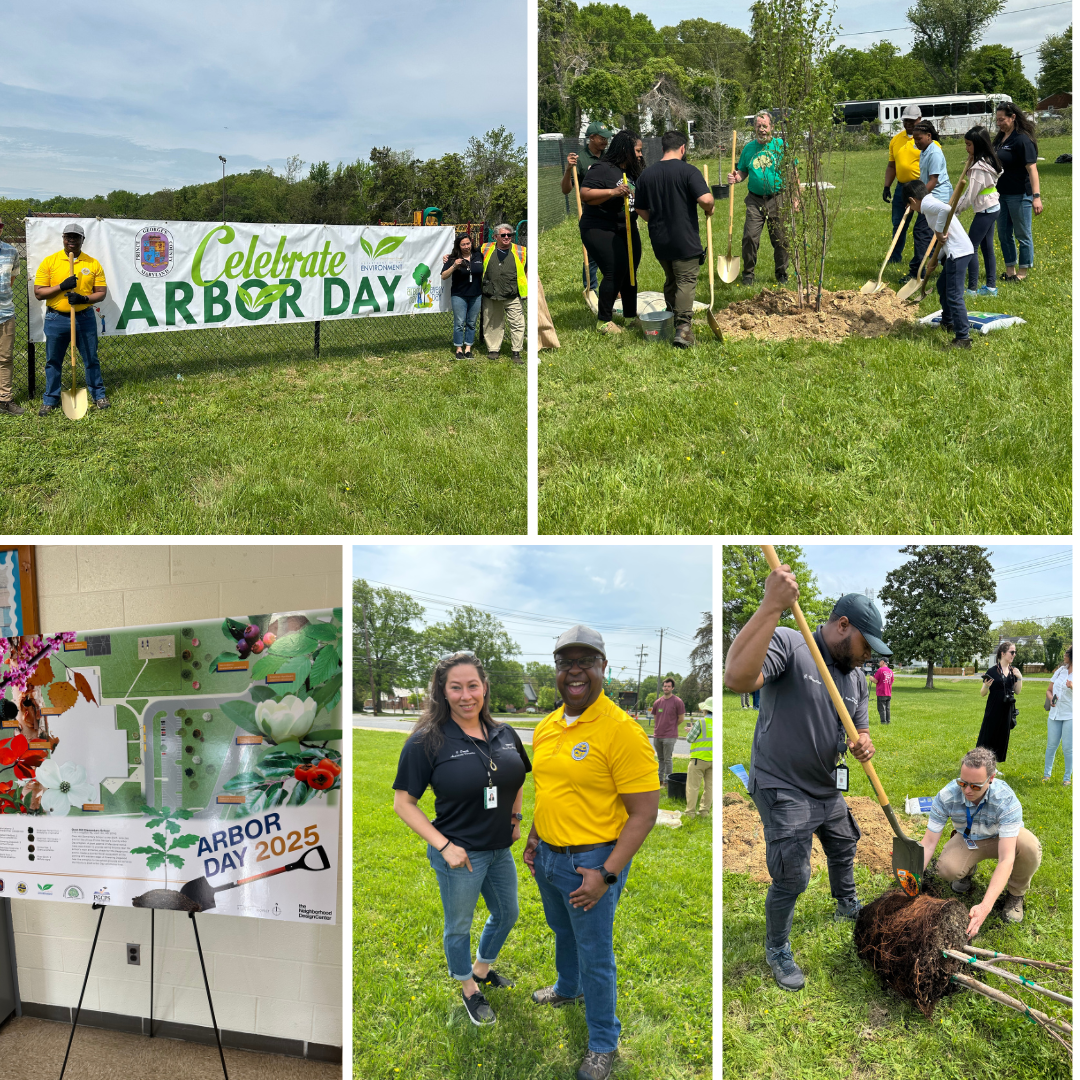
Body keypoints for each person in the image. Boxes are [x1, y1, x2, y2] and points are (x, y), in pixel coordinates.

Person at [724, 566, 889, 992]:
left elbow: (859, 725)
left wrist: (863, 742)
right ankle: (777, 946)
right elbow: (738, 679)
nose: (868, 655)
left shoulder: (856, 678)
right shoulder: (792, 645)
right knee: (793, 875)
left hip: (825, 784)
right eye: (865, 645)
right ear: (842, 625)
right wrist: (770, 606)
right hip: (781, 783)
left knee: (844, 841)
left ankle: (845, 902)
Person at [523, 624, 661, 1080]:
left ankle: (603, 1041)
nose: (574, 671)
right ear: (557, 671)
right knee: (562, 930)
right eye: (566, 663)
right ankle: (567, 987)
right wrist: (535, 837)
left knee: (596, 954)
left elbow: (643, 814)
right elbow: (547, 787)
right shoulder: (547, 724)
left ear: (603, 666)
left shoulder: (621, 730)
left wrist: (606, 873)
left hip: (591, 862)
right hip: (548, 856)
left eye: (585, 661)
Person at [392, 652, 531, 1026]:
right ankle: (468, 987)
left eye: (473, 685)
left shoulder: (504, 733)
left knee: (507, 913)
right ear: (443, 691)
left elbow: (517, 778)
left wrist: (515, 817)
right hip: (459, 854)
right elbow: (403, 803)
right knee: (459, 925)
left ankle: (482, 970)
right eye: (456, 687)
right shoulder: (427, 741)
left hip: (499, 848)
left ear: (485, 687)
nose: (466, 695)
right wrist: (444, 846)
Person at [920, 747, 1041, 931]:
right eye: (963, 783)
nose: (967, 790)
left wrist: (985, 907)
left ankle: (1015, 894)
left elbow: (1006, 859)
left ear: (991, 779)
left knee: (1029, 846)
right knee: (946, 869)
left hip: (1003, 839)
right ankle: (967, 870)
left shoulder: (1005, 800)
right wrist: (913, 876)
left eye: (975, 786)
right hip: (969, 838)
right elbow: (928, 844)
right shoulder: (947, 796)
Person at [633, 130, 714, 348]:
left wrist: (656, 219)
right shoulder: (688, 171)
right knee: (686, 281)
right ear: (682, 148)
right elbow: (705, 199)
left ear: (662, 149)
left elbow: (639, 208)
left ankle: (669, 316)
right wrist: (710, 207)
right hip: (684, 238)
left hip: (660, 239)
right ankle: (683, 328)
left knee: (671, 279)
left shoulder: (647, 175)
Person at [33, 222, 109, 414]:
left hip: (84, 318)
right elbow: (39, 293)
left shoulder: (92, 263)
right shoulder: (50, 261)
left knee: (91, 358)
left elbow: (101, 293)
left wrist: (83, 298)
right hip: (55, 319)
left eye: (76, 237)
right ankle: (50, 399)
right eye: (68, 237)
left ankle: (98, 396)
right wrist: (62, 287)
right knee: (53, 360)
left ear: (83, 240)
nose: (72, 240)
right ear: (63, 239)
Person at [579, 130, 644, 334]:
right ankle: (604, 321)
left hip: (626, 227)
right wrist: (613, 192)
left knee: (630, 270)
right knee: (615, 269)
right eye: (637, 150)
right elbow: (585, 194)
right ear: (626, 150)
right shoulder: (602, 169)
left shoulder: (633, 170)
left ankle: (630, 315)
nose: (640, 155)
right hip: (599, 227)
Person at [727, 111, 798, 287]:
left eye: (765, 126)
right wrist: (736, 178)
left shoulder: (781, 146)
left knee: (781, 239)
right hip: (755, 200)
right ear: (754, 128)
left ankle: (781, 273)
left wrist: (796, 197)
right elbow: (742, 171)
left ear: (771, 127)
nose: (762, 129)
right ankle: (748, 274)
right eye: (758, 126)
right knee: (749, 237)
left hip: (778, 198)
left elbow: (793, 173)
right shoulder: (748, 149)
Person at [903, 178, 974, 349]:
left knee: (954, 294)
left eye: (910, 206)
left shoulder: (927, 205)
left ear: (912, 201)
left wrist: (940, 230)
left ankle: (963, 338)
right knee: (942, 287)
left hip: (959, 253)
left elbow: (947, 210)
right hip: (953, 251)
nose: (912, 209)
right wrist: (934, 260)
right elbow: (944, 241)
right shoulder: (929, 201)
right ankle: (948, 322)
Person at [561, 121, 614, 294]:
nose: (605, 142)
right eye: (601, 138)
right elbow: (566, 189)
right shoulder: (580, 160)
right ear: (591, 138)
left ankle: (614, 285)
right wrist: (569, 169)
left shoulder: (610, 157)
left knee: (614, 249)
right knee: (592, 252)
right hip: (592, 212)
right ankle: (591, 288)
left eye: (607, 138)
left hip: (611, 210)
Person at [993, 102, 1042, 282]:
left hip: (1020, 194)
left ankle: (1022, 272)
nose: (999, 123)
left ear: (1013, 117)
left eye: (1002, 119)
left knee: (1022, 234)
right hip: (1000, 195)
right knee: (1004, 234)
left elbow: (1032, 169)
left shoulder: (1022, 139)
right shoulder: (999, 139)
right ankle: (1010, 270)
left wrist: (1036, 197)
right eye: (997, 120)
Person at [955, 126, 1002, 297]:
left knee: (970, 247)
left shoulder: (979, 168)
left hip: (986, 209)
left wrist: (956, 209)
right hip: (993, 206)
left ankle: (972, 289)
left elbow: (970, 195)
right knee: (987, 247)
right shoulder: (988, 159)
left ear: (979, 145)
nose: (966, 148)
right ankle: (990, 287)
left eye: (969, 145)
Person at [907, 121, 953, 284]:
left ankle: (917, 272)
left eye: (919, 138)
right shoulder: (924, 151)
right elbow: (923, 178)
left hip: (938, 197)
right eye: (914, 139)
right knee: (936, 233)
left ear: (929, 136)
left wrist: (919, 200)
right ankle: (949, 263)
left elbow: (933, 180)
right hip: (928, 196)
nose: (916, 142)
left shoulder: (934, 153)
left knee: (922, 232)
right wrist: (913, 196)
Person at [882, 105, 923, 270]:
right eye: (906, 120)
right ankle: (894, 257)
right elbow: (892, 166)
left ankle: (926, 258)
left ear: (919, 119)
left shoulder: (927, 140)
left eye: (912, 121)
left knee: (924, 227)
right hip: (901, 188)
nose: (909, 124)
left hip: (921, 188)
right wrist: (886, 186)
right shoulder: (896, 140)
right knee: (899, 223)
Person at [480, 224, 526, 365]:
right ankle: (493, 350)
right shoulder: (485, 249)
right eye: (503, 235)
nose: (507, 237)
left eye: (509, 235)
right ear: (495, 237)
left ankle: (516, 351)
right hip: (491, 293)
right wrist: (448, 257)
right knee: (492, 323)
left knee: (517, 324)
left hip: (513, 294)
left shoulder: (521, 251)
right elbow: (467, 255)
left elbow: (528, 270)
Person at [441, 233, 484, 359]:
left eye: (468, 243)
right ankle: (459, 348)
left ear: (472, 243)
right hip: (459, 295)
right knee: (459, 322)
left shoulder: (478, 255)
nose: (466, 246)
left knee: (471, 322)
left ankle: (468, 348)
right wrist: (454, 266)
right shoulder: (453, 258)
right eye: (463, 244)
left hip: (476, 295)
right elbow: (444, 276)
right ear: (458, 246)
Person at [977, 640, 1022, 763]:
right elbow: (982, 693)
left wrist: (1020, 678)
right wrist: (986, 686)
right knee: (989, 735)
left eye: (1015, 652)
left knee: (1002, 737)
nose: (1014, 654)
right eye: (1012, 652)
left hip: (1007, 709)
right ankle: (983, 763)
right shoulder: (992, 671)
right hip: (993, 708)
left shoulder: (1014, 672)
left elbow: (1017, 691)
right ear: (1003, 653)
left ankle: (994, 765)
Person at [0, 218, 22, 416]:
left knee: (5, 358)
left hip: (5, 313)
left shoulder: (11, 252)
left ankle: (4, 399)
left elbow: (11, 281)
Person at [1043, 645, 1071, 785]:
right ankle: (1046, 775)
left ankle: (1067, 778)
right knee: (1051, 745)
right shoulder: (1061, 671)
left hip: (1070, 715)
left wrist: (1073, 686)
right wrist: (1051, 698)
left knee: (1067, 747)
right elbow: (1049, 690)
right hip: (1055, 714)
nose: (1064, 656)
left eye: (1066, 654)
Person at [651, 677, 685, 786]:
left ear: (673, 688)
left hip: (670, 735)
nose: (666, 688)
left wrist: (671, 727)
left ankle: (667, 781)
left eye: (668, 686)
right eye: (665, 686)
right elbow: (656, 718)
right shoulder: (657, 702)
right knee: (660, 759)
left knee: (667, 759)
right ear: (662, 687)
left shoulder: (677, 701)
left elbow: (681, 718)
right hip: (657, 735)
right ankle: (659, 780)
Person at [685, 706, 712, 817]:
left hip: (699, 759)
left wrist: (691, 731)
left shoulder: (701, 722)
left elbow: (689, 739)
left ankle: (690, 813)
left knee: (693, 786)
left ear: (706, 710)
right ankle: (704, 812)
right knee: (710, 787)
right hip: (713, 760)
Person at [872, 657, 894, 724]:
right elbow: (892, 681)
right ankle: (888, 721)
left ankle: (883, 721)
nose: (879, 663)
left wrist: (871, 678)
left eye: (880, 661)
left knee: (881, 708)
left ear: (883, 662)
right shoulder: (890, 671)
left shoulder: (880, 670)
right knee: (887, 708)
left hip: (881, 692)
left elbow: (876, 680)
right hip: (888, 692)